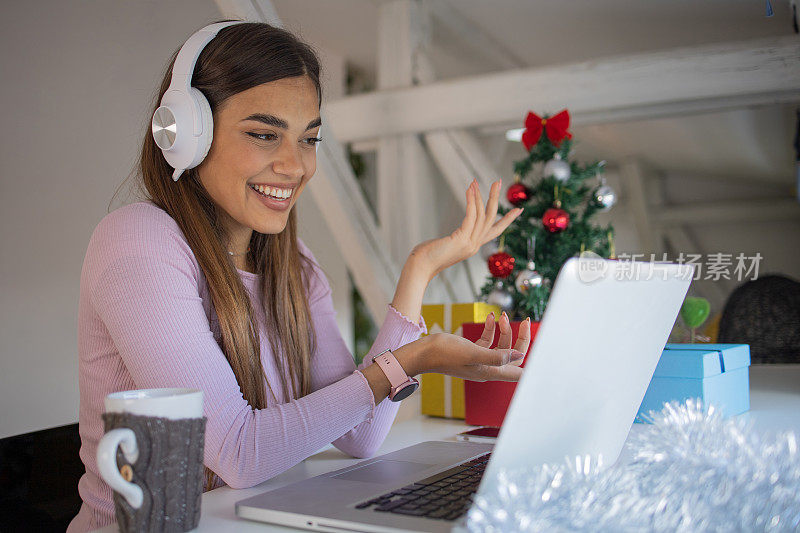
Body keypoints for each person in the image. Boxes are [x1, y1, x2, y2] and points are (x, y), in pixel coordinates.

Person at [67, 20, 531, 531]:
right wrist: (414, 358)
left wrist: (419, 271)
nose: (295, 166)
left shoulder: (295, 267)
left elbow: (359, 438)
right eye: (264, 135)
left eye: (309, 139)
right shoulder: (140, 241)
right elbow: (242, 454)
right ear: (185, 135)